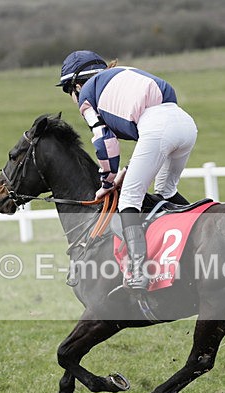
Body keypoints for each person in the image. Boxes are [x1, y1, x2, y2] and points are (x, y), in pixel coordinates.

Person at [57, 50, 198, 292]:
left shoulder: (87, 95)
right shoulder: (123, 74)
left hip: (157, 128)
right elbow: (150, 135)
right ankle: (203, 230)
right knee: (166, 191)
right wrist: (126, 171)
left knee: (129, 201)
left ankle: (139, 272)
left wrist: (107, 182)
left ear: (77, 85)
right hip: (185, 123)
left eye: (68, 91)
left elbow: (105, 142)